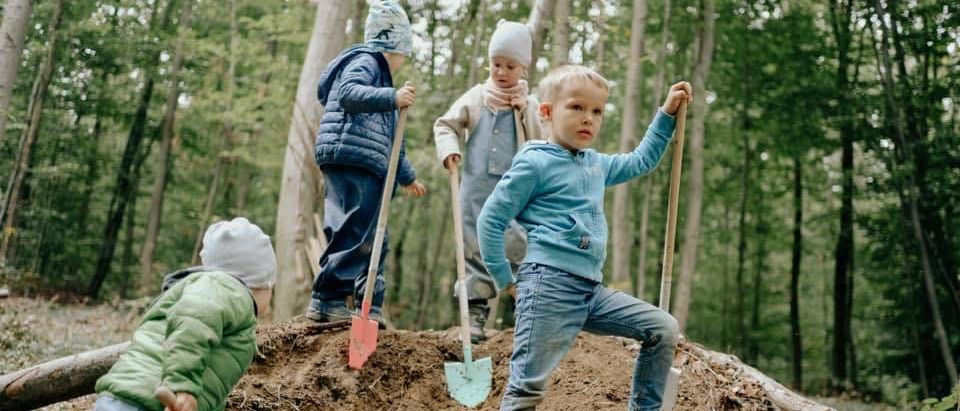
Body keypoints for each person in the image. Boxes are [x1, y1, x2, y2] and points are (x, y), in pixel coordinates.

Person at [477, 65, 693, 410]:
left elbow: (641, 161)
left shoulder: (594, 164)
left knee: (663, 328)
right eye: (576, 107)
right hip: (548, 286)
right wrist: (504, 279)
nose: (588, 119)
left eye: (596, 111)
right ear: (546, 112)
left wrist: (666, 115)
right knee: (526, 391)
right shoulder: (535, 163)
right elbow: (490, 219)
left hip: (590, 290)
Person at [306, 0, 426, 326]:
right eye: (403, 54)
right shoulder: (366, 61)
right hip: (353, 157)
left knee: (367, 232)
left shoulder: (382, 80)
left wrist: (407, 177)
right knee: (356, 231)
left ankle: (365, 306)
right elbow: (348, 93)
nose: (402, 62)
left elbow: (393, 142)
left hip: (357, 159)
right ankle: (329, 299)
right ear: (393, 47)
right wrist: (392, 97)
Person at [94, 217, 277, 411]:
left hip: (132, 397)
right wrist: (182, 386)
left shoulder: (215, 294)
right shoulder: (228, 289)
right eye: (272, 286)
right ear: (259, 282)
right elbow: (193, 325)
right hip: (150, 401)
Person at [433, 20, 540, 342]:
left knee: (519, 244)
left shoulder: (531, 104)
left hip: (517, 190)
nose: (501, 72)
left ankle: (528, 311)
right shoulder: (477, 97)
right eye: (496, 64)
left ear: (523, 68)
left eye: (510, 66)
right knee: (473, 246)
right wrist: (450, 151)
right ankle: (475, 317)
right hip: (476, 187)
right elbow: (445, 125)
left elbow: (542, 141)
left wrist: (526, 113)